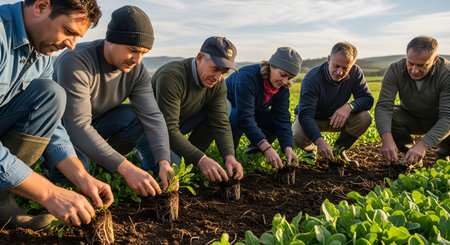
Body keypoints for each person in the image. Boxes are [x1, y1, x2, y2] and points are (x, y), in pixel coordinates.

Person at [0, 0, 113, 230]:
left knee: (51, 95)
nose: (72, 45)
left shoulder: (41, 56)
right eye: (69, 31)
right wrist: (49, 193)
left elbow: (53, 129)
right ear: (41, 6)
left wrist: (81, 177)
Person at [52, 5, 174, 196]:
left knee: (136, 116)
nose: (137, 60)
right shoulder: (76, 61)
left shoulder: (137, 71)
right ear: (110, 40)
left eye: (143, 52)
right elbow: (76, 125)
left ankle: (106, 169)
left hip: (95, 123)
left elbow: (152, 115)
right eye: (132, 50)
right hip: (62, 129)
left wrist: (163, 160)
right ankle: (56, 172)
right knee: (76, 182)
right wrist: (126, 167)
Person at [136, 36, 244, 182]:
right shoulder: (171, 77)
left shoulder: (217, 83)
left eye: (224, 72)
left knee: (226, 106)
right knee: (173, 171)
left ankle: (188, 156)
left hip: (178, 125)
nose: (218, 77)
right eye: (216, 69)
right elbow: (168, 128)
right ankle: (141, 153)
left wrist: (229, 156)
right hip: (149, 131)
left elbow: (221, 123)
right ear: (200, 58)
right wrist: (201, 159)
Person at [292, 42, 374, 166]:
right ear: (329, 59)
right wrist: (320, 142)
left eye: (345, 68)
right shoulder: (312, 78)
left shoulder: (356, 73)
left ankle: (338, 151)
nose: (339, 72)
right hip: (313, 118)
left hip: (336, 119)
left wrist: (349, 107)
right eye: (336, 66)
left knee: (365, 117)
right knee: (297, 133)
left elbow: (367, 99)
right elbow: (305, 115)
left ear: (352, 65)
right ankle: (310, 151)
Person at [375, 36, 450, 166]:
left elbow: (448, 117)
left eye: (421, 65)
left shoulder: (446, 73)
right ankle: (411, 157)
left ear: (435, 59)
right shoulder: (395, 70)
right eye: (410, 63)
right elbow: (383, 106)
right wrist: (386, 138)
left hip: (439, 120)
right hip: (412, 118)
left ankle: (444, 155)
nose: (414, 70)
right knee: (391, 115)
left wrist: (423, 144)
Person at [226, 47, 302, 169]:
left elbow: (282, 117)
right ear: (271, 65)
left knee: (274, 121)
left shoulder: (282, 87)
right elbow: (245, 116)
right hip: (229, 108)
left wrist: (288, 148)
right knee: (236, 117)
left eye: (289, 78)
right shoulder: (247, 77)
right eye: (283, 75)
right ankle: (230, 155)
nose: (284, 81)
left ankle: (253, 153)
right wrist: (266, 147)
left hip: (251, 109)